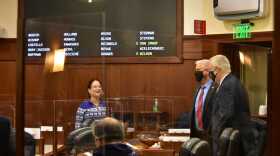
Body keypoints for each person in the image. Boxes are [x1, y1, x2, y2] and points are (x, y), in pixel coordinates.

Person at [209, 55, 250, 156]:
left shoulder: (226, 86)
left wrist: (214, 134)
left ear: (217, 70)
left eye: (210, 71)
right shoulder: (236, 82)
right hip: (238, 138)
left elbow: (225, 114)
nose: (210, 75)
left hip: (226, 141)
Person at [190, 59, 216, 140]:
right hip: (196, 135)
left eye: (198, 70)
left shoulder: (216, 88)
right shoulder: (198, 89)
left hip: (210, 136)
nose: (196, 72)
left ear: (207, 71)